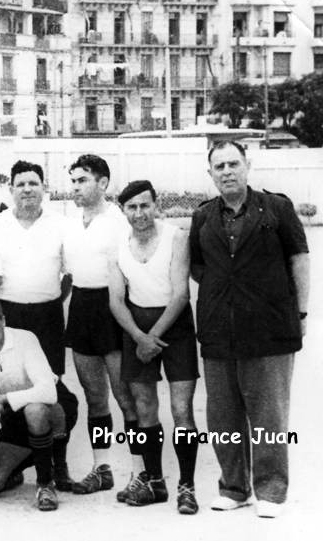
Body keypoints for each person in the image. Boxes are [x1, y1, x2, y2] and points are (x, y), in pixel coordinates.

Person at [189, 141, 310, 518]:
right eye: (219, 166)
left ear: (247, 166)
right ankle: (234, 487)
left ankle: (271, 491)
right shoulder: (203, 216)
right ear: (210, 173)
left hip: (270, 329)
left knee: (268, 415)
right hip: (218, 331)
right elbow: (198, 266)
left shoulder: (277, 208)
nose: (226, 171)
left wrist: (301, 312)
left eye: (233, 163)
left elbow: (300, 260)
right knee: (223, 416)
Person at [0, 160, 78, 491]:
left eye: (33, 183)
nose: (27, 189)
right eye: (20, 184)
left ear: (43, 188)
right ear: (10, 190)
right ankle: (18, 461)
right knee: (10, 385)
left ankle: (58, 466)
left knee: (51, 392)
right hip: (9, 314)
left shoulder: (61, 225)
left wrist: (48, 298)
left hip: (47, 316)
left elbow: (68, 277)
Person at [109, 180, 200, 514]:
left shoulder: (176, 236)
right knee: (144, 407)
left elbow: (180, 294)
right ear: (124, 211)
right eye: (132, 207)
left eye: (145, 205)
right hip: (136, 328)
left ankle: (187, 486)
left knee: (181, 410)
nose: (139, 213)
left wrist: (153, 338)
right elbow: (116, 300)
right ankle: (155, 481)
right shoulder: (117, 244)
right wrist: (139, 337)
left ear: (156, 205)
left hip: (174, 327)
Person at [62, 155, 139, 495]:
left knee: (127, 398)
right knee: (95, 397)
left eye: (83, 180)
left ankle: (141, 471)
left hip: (113, 309)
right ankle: (102, 467)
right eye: (74, 180)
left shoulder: (119, 222)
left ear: (103, 183)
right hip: (81, 307)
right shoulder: (71, 222)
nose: (75, 187)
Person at [0, 296, 64, 512]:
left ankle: (46, 484)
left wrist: (2, 399)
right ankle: (18, 469)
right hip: (16, 417)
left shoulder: (25, 339)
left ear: (3, 320)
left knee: (34, 410)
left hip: (53, 408)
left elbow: (48, 392)